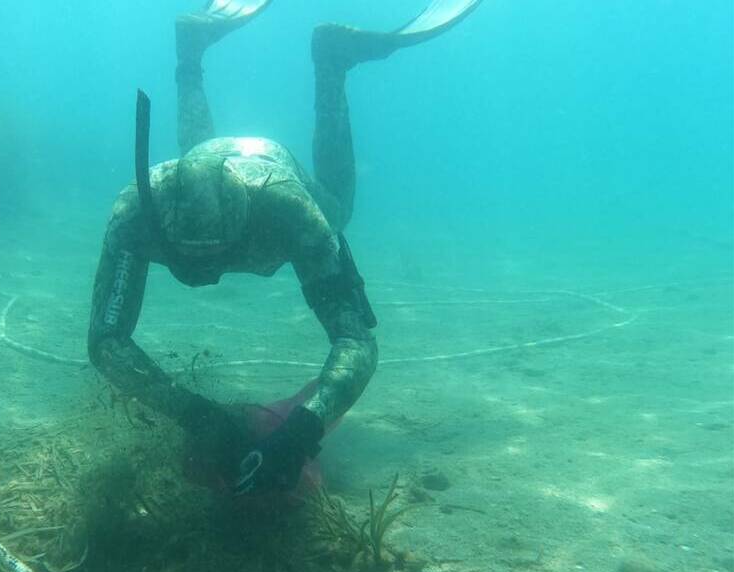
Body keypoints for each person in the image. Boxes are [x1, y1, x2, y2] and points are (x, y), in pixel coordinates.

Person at [88, 0, 481, 497]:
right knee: (197, 157)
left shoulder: (289, 210)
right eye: (190, 257)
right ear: (161, 223)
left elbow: (356, 340)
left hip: (266, 162)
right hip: (205, 167)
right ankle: (190, 55)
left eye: (215, 255)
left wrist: (303, 431)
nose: (206, 276)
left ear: (246, 229)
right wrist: (195, 414)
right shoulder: (135, 215)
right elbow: (106, 341)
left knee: (339, 207)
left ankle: (331, 63)